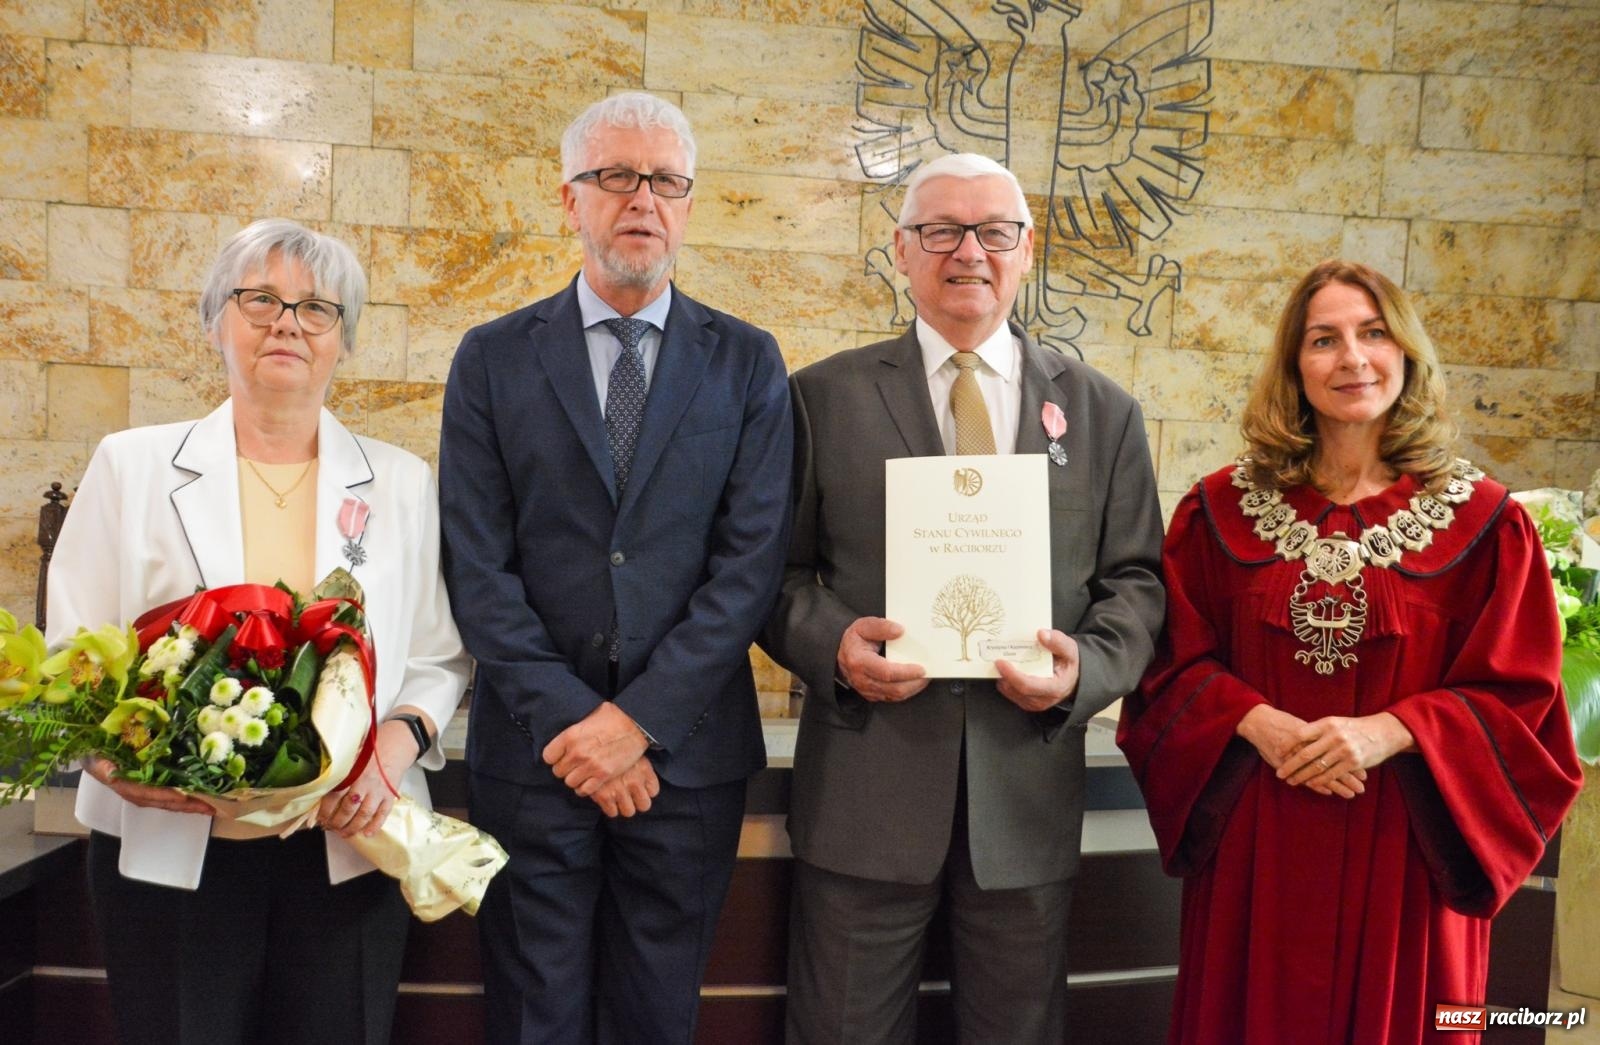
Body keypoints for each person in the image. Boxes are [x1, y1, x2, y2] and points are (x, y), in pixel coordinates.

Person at [1117, 259, 1583, 1044]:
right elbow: (1166, 669)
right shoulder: (1217, 512)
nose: (1353, 358)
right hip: (1256, 840)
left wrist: (1387, 731)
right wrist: (1257, 720)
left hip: (1407, 840)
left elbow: (1523, 702)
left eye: (1374, 334)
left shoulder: (1487, 525)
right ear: (1294, 367)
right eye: (1324, 339)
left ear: (1406, 353)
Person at [761, 153, 1165, 1044]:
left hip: (1024, 798)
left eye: (993, 231)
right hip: (865, 798)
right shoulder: (819, 399)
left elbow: (1136, 584)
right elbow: (773, 578)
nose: (968, 251)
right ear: (903, 252)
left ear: (1027, 251)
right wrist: (835, 645)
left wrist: (1083, 671)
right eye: (941, 230)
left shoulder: (1103, 412)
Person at [46, 218, 470, 1045]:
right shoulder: (131, 466)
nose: (288, 322)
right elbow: (72, 648)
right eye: (261, 299)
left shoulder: (400, 482)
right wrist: (110, 759)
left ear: (343, 339)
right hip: (171, 841)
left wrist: (388, 753)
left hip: (347, 844)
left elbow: (436, 655)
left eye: (316, 307)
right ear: (216, 322)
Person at [438, 91, 792, 1044]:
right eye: (617, 177)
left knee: (656, 1016)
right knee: (533, 1017)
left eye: (667, 181)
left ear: (687, 202)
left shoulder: (749, 363)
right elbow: (476, 563)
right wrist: (574, 724)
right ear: (570, 198)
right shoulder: (492, 358)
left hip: (687, 760)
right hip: (533, 756)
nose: (644, 199)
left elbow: (749, 565)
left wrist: (637, 724)